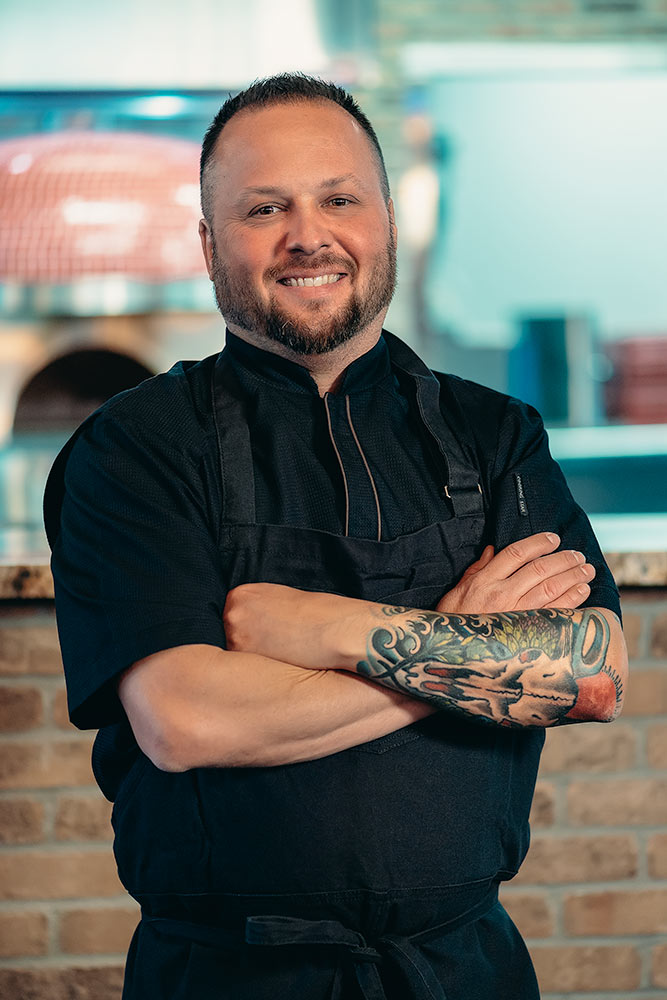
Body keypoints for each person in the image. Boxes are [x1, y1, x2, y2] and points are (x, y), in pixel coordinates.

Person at [44, 73, 628, 1000]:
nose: (307, 234)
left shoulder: (495, 433)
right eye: (264, 207)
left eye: (339, 198)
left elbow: (590, 671)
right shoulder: (136, 447)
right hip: (228, 977)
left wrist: (319, 628)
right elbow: (187, 719)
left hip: (463, 970)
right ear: (207, 244)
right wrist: (469, 649)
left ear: (386, 220)